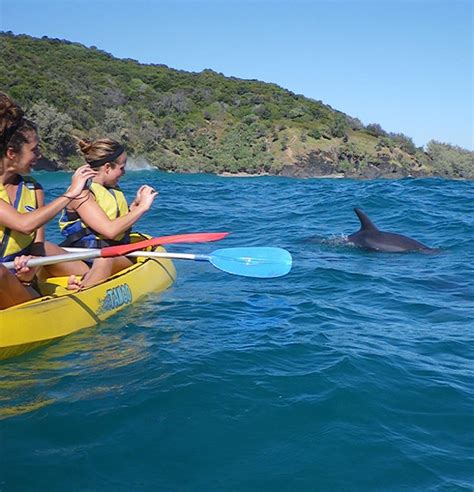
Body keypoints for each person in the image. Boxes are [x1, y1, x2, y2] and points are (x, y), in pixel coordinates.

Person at [0, 93, 97, 309]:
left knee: (54, 252)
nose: (39, 155)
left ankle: (81, 287)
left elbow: (37, 244)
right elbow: (24, 224)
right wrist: (69, 194)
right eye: (34, 150)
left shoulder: (34, 189)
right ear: (11, 153)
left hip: (22, 283)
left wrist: (28, 273)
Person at [59, 138, 158, 288]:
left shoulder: (111, 188)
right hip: (82, 258)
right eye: (121, 168)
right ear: (107, 168)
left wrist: (134, 207)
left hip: (113, 257)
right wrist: (142, 208)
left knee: (104, 258)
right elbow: (110, 230)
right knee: (42, 247)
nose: (123, 173)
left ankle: (83, 286)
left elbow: (114, 224)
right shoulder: (81, 192)